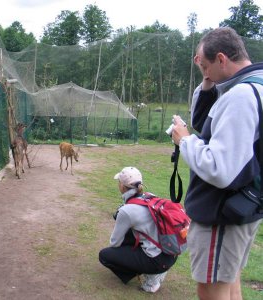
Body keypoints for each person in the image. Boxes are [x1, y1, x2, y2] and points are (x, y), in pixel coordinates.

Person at [171, 27, 263, 300]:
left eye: (207, 66)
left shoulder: (241, 96)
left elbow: (220, 169)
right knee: (229, 283)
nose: (205, 74)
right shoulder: (254, 85)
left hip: (222, 213)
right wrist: (208, 79)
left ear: (222, 59)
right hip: (242, 208)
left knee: (211, 289)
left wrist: (184, 140)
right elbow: (204, 122)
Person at [98, 166, 177, 293]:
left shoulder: (126, 211)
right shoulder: (149, 196)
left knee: (105, 255)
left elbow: (115, 243)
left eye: (119, 182)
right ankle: (152, 268)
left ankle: (152, 277)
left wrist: (121, 218)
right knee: (131, 233)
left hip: (158, 260)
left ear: (122, 187)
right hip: (171, 253)